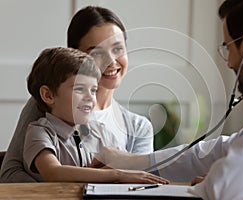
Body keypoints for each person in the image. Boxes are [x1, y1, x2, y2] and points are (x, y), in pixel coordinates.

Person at [90, 0, 243, 199]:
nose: (229, 63)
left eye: (228, 47)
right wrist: (137, 161)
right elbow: (225, 149)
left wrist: (215, 181)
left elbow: (227, 189)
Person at [0, 6, 153, 182]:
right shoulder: (46, 107)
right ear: (74, 55)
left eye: (118, 49)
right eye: (96, 52)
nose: (111, 61)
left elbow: (141, 185)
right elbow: (9, 175)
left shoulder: (138, 128)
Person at [22, 47, 168, 184]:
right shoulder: (39, 132)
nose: (90, 98)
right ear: (48, 95)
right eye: (79, 89)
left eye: (93, 90)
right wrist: (117, 174)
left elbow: (121, 164)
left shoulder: (100, 131)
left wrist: (119, 169)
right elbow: (53, 172)